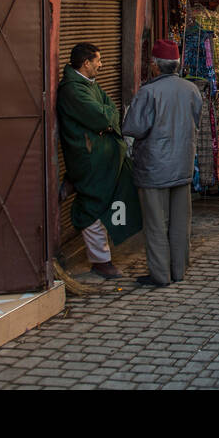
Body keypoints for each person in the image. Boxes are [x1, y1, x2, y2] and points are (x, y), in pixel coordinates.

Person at [56, 43, 142, 280]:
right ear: (86, 63)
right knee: (93, 205)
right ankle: (100, 260)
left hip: (104, 158)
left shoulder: (88, 85)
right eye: (98, 61)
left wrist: (108, 118)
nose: (101, 65)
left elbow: (111, 109)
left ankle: (104, 255)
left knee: (114, 197)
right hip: (90, 159)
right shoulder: (73, 90)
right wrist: (107, 119)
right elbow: (103, 116)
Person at [122, 39, 203, 287]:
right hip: (182, 163)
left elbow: (133, 127)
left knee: (156, 223)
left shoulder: (148, 92)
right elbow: (196, 120)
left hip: (154, 166)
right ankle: (178, 271)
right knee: (181, 222)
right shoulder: (192, 90)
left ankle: (160, 275)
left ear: (155, 66)